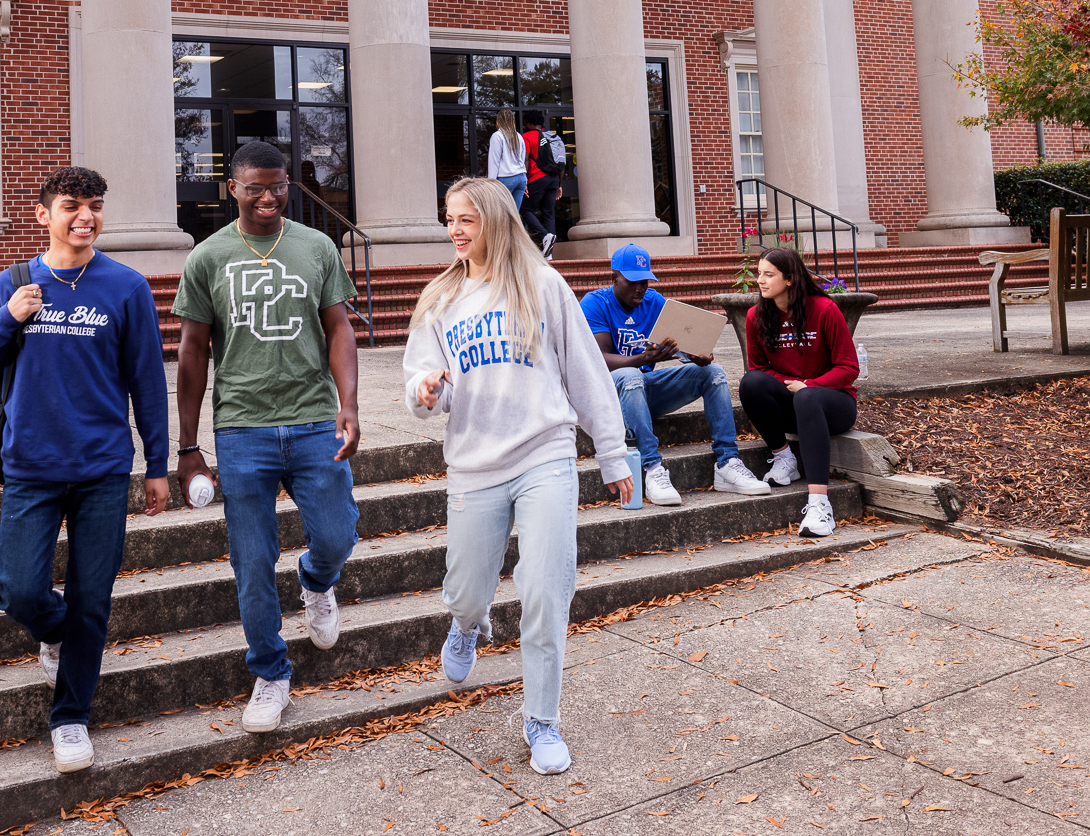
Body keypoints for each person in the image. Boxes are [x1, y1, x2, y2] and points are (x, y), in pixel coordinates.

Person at [405, 177, 633, 776]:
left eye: (467, 220)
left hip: (544, 452)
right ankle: (465, 623)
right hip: (475, 463)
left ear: (498, 221)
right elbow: (424, 386)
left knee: (545, 588)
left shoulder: (542, 284)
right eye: (450, 219)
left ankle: (541, 720)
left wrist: (612, 454)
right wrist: (425, 390)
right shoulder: (438, 300)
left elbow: (586, 372)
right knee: (466, 586)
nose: (455, 230)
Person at [0, 166, 168, 775]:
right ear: (43, 214)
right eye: (72, 205)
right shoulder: (13, 282)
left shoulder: (125, 287)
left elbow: (146, 382)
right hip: (31, 466)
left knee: (93, 600)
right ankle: (56, 632)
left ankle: (71, 716)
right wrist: (10, 316)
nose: (86, 216)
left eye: (96, 205)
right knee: (20, 590)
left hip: (103, 467)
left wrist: (158, 463)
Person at [172, 140, 361, 735]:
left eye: (278, 186)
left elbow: (339, 330)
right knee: (251, 560)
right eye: (255, 186)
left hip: (311, 420)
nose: (268, 198)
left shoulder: (317, 247)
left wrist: (349, 405)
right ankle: (271, 673)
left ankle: (316, 581)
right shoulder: (208, 257)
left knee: (337, 535)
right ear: (232, 187)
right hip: (243, 427)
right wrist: (187, 446)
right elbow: (193, 351)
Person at [581, 245, 771, 505]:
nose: (640, 288)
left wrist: (697, 354)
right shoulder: (595, 303)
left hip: (643, 391)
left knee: (712, 373)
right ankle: (652, 468)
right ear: (615, 278)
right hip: (609, 395)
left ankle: (728, 462)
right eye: (633, 281)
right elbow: (598, 360)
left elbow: (681, 341)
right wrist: (642, 359)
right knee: (629, 374)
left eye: (645, 281)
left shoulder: (654, 301)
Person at [736, 247, 859, 539]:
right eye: (758, 274)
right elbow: (759, 368)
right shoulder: (756, 316)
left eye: (769, 274)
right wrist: (793, 382)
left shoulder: (824, 309)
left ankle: (820, 504)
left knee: (806, 396)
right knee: (750, 383)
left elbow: (849, 367)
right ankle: (783, 458)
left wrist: (810, 385)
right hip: (793, 401)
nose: (760, 280)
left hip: (834, 403)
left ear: (790, 278)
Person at [520, 115, 564, 257]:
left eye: (525, 123)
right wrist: (559, 185)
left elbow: (526, 159)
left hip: (537, 178)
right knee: (548, 213)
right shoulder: (554, 137)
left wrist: (524, 180)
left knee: (524, 209)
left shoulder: (527, 136)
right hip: (554, 179)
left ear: (529, 123)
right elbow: (561, 162)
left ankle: (544, 236)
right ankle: (549, 254)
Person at [486, 108, 527, 211]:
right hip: (521, 177)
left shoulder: (497, 136)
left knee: (500, 213)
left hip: (506, 178)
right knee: (514, 214)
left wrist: (491, 183)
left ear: (498, 121)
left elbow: (494, 161)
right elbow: (522, 158)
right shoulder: (518, 136)